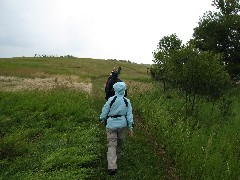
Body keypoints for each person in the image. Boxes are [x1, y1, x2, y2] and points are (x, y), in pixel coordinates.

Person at [99, 82, 134, 175]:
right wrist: (131, 127)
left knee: (111, 144)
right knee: (120, 141)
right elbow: (129, 115)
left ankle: (112, 164)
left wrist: (102, 119)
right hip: (122, 125)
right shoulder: (127, 101)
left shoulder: (111, 99)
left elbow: (105, 110)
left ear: (115, 90)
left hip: (111, 125)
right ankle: (115, 160)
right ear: (124, 90)